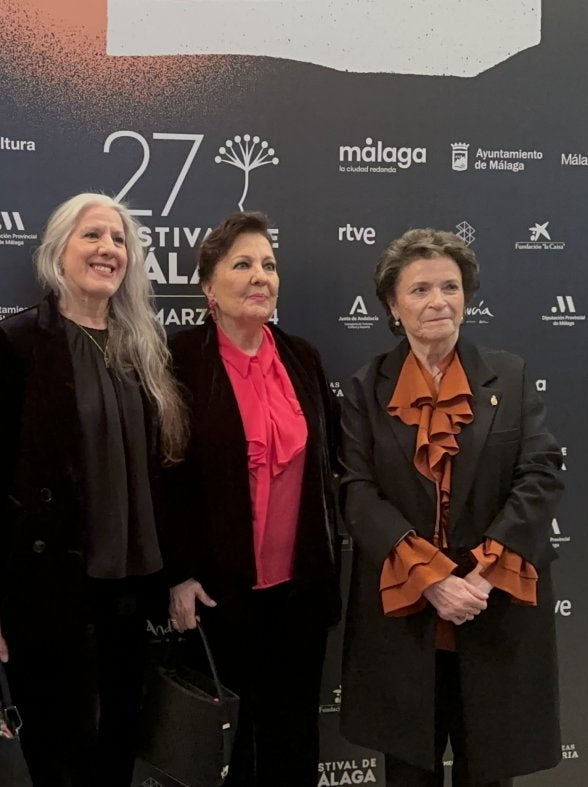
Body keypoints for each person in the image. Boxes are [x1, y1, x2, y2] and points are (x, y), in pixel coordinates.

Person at [0, 193, 189, 787]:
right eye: (92, 236)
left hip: (130, 595)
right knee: (57, 755)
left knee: (117, 748)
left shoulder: (143, 349)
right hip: (44, 591)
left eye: (118, 240)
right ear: (57, 252)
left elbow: (161, 477)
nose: (107, 250)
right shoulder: (14, 344)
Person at [338, 228, 564, 786]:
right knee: (408, 772)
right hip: (406, 613)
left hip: (492, 607)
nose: (438, 301)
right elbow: (355, 490)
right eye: (419, 290)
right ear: (393, 305)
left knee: (488, 770)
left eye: (450, 287)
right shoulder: (366, 387)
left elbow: (539, 475)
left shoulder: (509, 376)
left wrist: (481, 579)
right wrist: (433, 579)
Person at [162, 211, 342, 786]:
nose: (259, 275)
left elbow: (329, 465)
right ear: (208, 285)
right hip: (218, 593)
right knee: (226, 750)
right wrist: (179, 574)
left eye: (268, 264)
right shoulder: (178, 360)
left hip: (299, 593)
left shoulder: (302, 358)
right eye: (241, 264)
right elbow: (162, 478)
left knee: (292, 740)